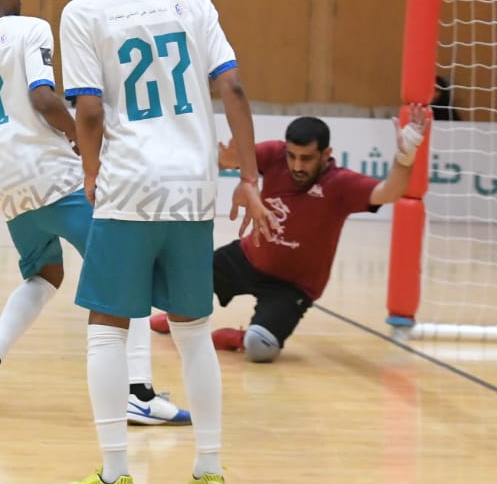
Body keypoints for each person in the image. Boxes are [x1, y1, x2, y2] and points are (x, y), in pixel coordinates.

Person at [57, 0, 273, 484]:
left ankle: (114, 477)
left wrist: (91, 172)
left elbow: (89, 111)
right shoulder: (193, 1)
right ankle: (209, 472)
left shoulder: (84, 11)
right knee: (193, 332)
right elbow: (233, 88)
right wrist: (250, 177)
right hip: (192, 188)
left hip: (129, 184)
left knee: (107, 328)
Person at [0, 0, 188, 425]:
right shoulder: (31, 29)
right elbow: (45, 99)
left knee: (44, 275)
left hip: (9, 191)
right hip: (56, 177)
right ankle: (139, 392)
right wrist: (83, 142)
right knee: (129, 269)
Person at [149, 109, 428, 361]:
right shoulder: (274, 154)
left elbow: (390, 192)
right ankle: (178, 317)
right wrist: (227, 158)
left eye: (306, 159)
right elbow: (226, 161)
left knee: (259, 348)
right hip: (248, 257)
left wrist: (405, 157)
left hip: (292, 287)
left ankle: (234, 338)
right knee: (178, 281)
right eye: (292, 156)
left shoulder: (340, 184)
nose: (297, 166)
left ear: (326, 153)